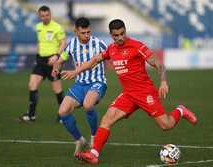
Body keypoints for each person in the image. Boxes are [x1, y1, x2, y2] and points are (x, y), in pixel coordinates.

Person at [61, 19, 197, 164]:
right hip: (128, 94)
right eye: (116, 35)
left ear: (125, 31)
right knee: (107, 119)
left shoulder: (136, 46)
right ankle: (94, 154)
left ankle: (181, 110)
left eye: (122, 33)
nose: (120, 38)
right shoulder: (111, 49)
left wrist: (163, 81)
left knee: (166, 125)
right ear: (111, 35)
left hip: (145, 93)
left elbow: (158, 63)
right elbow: (94, 60)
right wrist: (77, 71)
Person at [52, 17, 107, 157]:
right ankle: (80, 140)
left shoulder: (99, 44)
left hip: (97, 82)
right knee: (62, 111)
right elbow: (61, 60)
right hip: (79, 85)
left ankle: (94, 137)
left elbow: (113, 55)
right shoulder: (71, 45)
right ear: (76, 31)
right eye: (83, 33)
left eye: (89, 32)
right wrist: (56, 68)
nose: (87, 35)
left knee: (88, 105)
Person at [19, 5, 66, 122]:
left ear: (50, 15)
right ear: (39, 16)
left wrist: (56, 56)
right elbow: (40, 42)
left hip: (53, 61)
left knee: (57, 89)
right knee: (32, 85)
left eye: (47, 15)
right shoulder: (38, 27)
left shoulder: (57, 27)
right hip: (40, 61)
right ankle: (31, 115)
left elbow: (63, 43)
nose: (45, 17)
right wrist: (38, 54)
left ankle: (63, 115)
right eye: (43, 16)